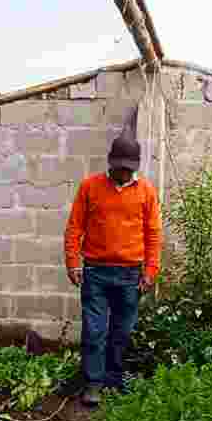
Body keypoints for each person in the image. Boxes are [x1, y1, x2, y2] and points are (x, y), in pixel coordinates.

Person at [63, 135, 162, 406]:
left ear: (136, 166)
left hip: (131, 274)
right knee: (94, 330)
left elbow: (153, 234)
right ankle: (93, 383)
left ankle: (114, 379)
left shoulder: (146, 191)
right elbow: (74, 227)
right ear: (111, 162)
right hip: (96, 272)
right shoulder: (90, 187)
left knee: (122, 331)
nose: (124, 173)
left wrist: (150, 271)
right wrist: (72, 262)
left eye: (129, 169)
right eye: (120, 168)